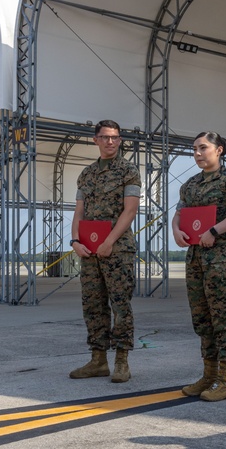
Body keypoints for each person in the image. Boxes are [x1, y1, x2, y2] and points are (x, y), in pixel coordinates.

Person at [173, 132, 226, 401]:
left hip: (224, 260)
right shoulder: (190, 185)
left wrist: (214, 231)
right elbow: (179, 214)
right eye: (194, 149)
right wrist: (176, 232)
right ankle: (208, 375)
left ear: (219, 150)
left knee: (223, 320)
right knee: (202, 320)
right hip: (196, 260)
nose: (197, 153)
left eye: (203, 148)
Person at [69, 120, 141, 383]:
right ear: (95, 140)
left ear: (120, 140)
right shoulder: (86, 175)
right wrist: (75, 241)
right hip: (89, 249)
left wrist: (110, 241)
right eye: (105, 137)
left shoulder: (128, 171)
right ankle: (98, 360)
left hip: (117, 249)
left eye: (115, 138)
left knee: (120, 305)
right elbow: (79, 211)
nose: (111, 142)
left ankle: (121, 361)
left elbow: (130, 210)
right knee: (93, 304)